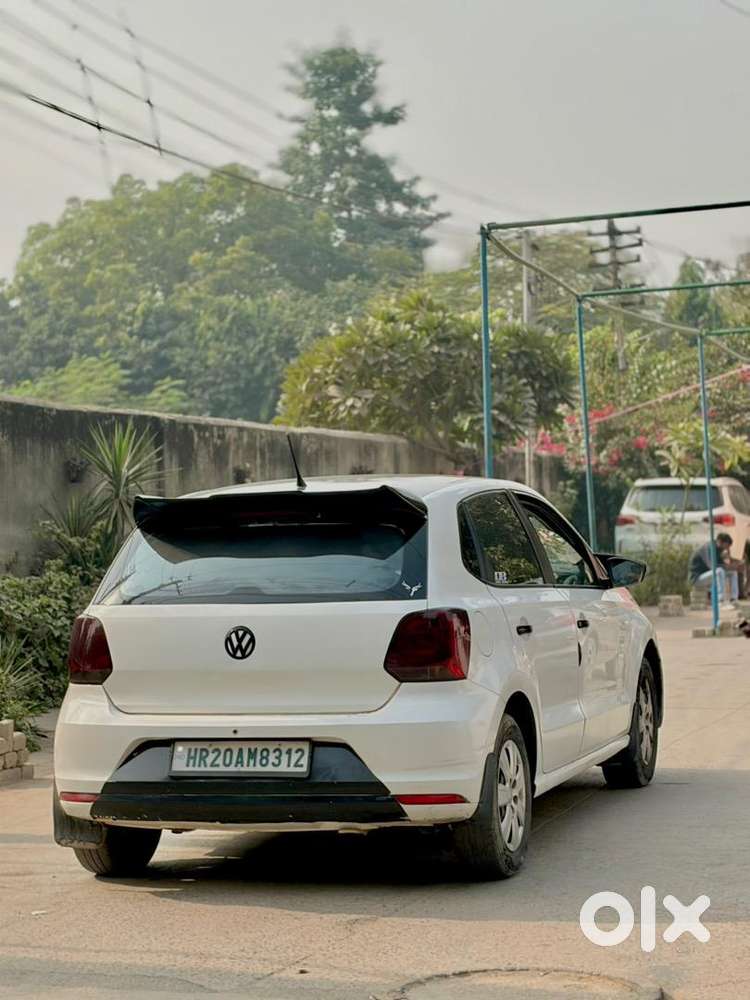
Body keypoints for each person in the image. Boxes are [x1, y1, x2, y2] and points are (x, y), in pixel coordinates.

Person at [689, 532, 739, 604]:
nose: (727, 548)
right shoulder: (708, 547)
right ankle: (720, 600)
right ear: (720, 541)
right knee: (719, 571)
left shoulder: (719, 549)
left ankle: (734, 599)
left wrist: (732, 566)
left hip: (709, 576)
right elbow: (711, 566)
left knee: (733, 572)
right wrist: (727, 566)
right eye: (726, 546)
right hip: (697, 579)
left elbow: (721, 564)